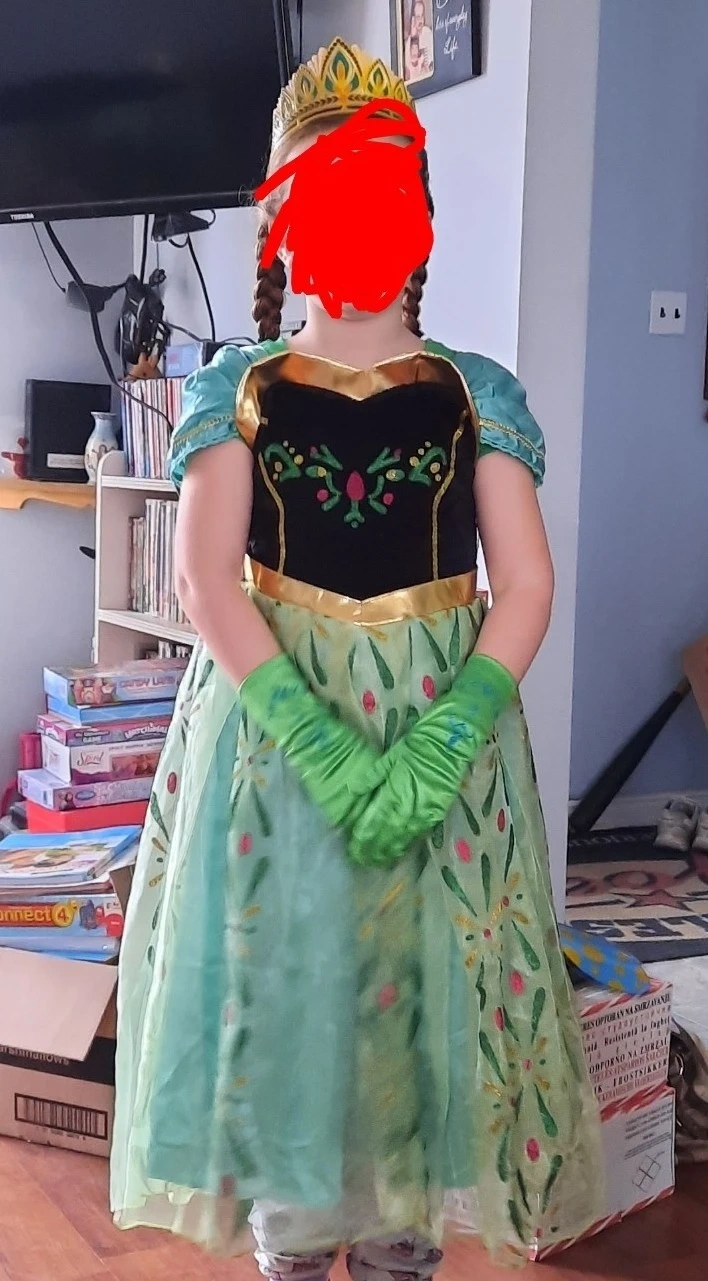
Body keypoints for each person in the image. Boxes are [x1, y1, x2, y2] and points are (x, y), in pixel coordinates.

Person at [110, 38, 603, 1275]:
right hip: (275, 757)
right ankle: (291, 1241)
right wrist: (320, 745)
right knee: (292, 997)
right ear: (283, 226)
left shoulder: (477, 394)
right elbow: (203, 579)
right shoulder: (240, 389)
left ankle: (398, 1247)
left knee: (412, 1005)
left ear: (421, 216)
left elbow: (526, 582)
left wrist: (445, 742)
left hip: (445, 759)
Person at [407, 0, 434, 77]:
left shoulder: (428, 33)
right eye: (418, 17)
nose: (420, 20)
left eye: (422, 16)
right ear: (413, 19)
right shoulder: (409, 42)